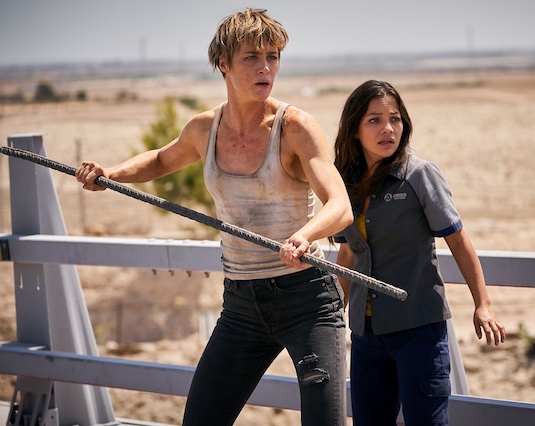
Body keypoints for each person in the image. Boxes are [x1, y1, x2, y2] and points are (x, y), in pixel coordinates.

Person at [76, 8, 353, 426]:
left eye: (273, 57)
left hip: (306, 300)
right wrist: (111, 174)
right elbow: (160, 159)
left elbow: (340, 206)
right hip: (241, 304)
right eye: (251, 57)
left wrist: (305, 235)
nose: (265, 68)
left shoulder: (295, 127)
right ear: (223, 63)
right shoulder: (204, 129)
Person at [333, 80, 506, 426]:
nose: (388, 128)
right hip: (366, 336)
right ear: (354, 129)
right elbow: (349, 254)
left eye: (395, 119)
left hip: (419, 332)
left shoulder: (420, 175)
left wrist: (483, 304)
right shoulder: (345, 184)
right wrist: (334, 312)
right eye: (374, 120)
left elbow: (458, 241)